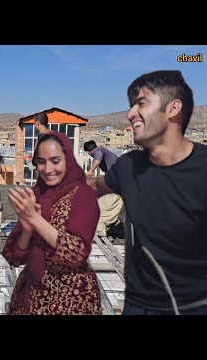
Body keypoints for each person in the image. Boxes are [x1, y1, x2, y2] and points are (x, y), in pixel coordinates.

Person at [88, 70, 207, 315]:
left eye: (141, 104)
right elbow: (94, 188)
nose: (131, 113)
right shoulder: (129, 165)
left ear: (173, 109)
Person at [2, 132, 101, 315]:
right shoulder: (36, 195)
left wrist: (35, 219)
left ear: (68, 160)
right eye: (41, 161)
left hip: (72, 297)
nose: (48, 169)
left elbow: (76, 252)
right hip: (32, 295)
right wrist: (27, 228)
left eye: (55, 161)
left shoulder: (83, 196)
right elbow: (12, 255)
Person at [83, 140, 124, 237]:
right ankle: (115, 228)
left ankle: (99, 232)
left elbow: (97, 159)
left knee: (102, 206)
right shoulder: (106, 153)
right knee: (118, 208)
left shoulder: (98, 151)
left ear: (89, 152)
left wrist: (90, 171)